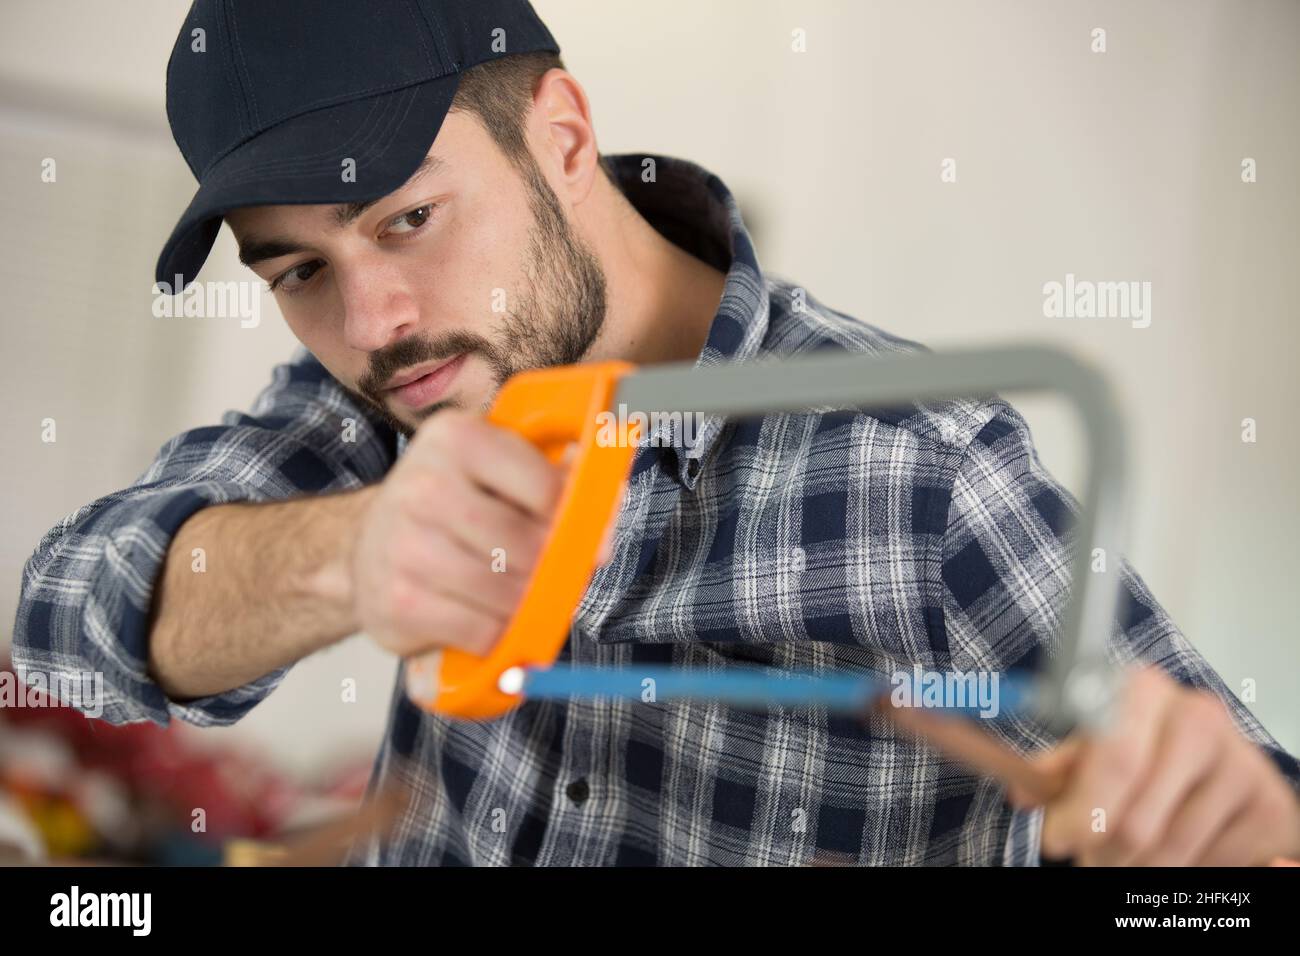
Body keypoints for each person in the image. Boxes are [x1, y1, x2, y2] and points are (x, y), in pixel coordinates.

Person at [13, 0, 1299, 866]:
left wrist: (1221, 837)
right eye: (299, 271)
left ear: (562, 136)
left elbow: (1229, 817)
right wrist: (344, 553)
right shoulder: (395, 395)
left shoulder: (924, 471)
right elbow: (64, 624)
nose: (375, 320)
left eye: (407, 219)